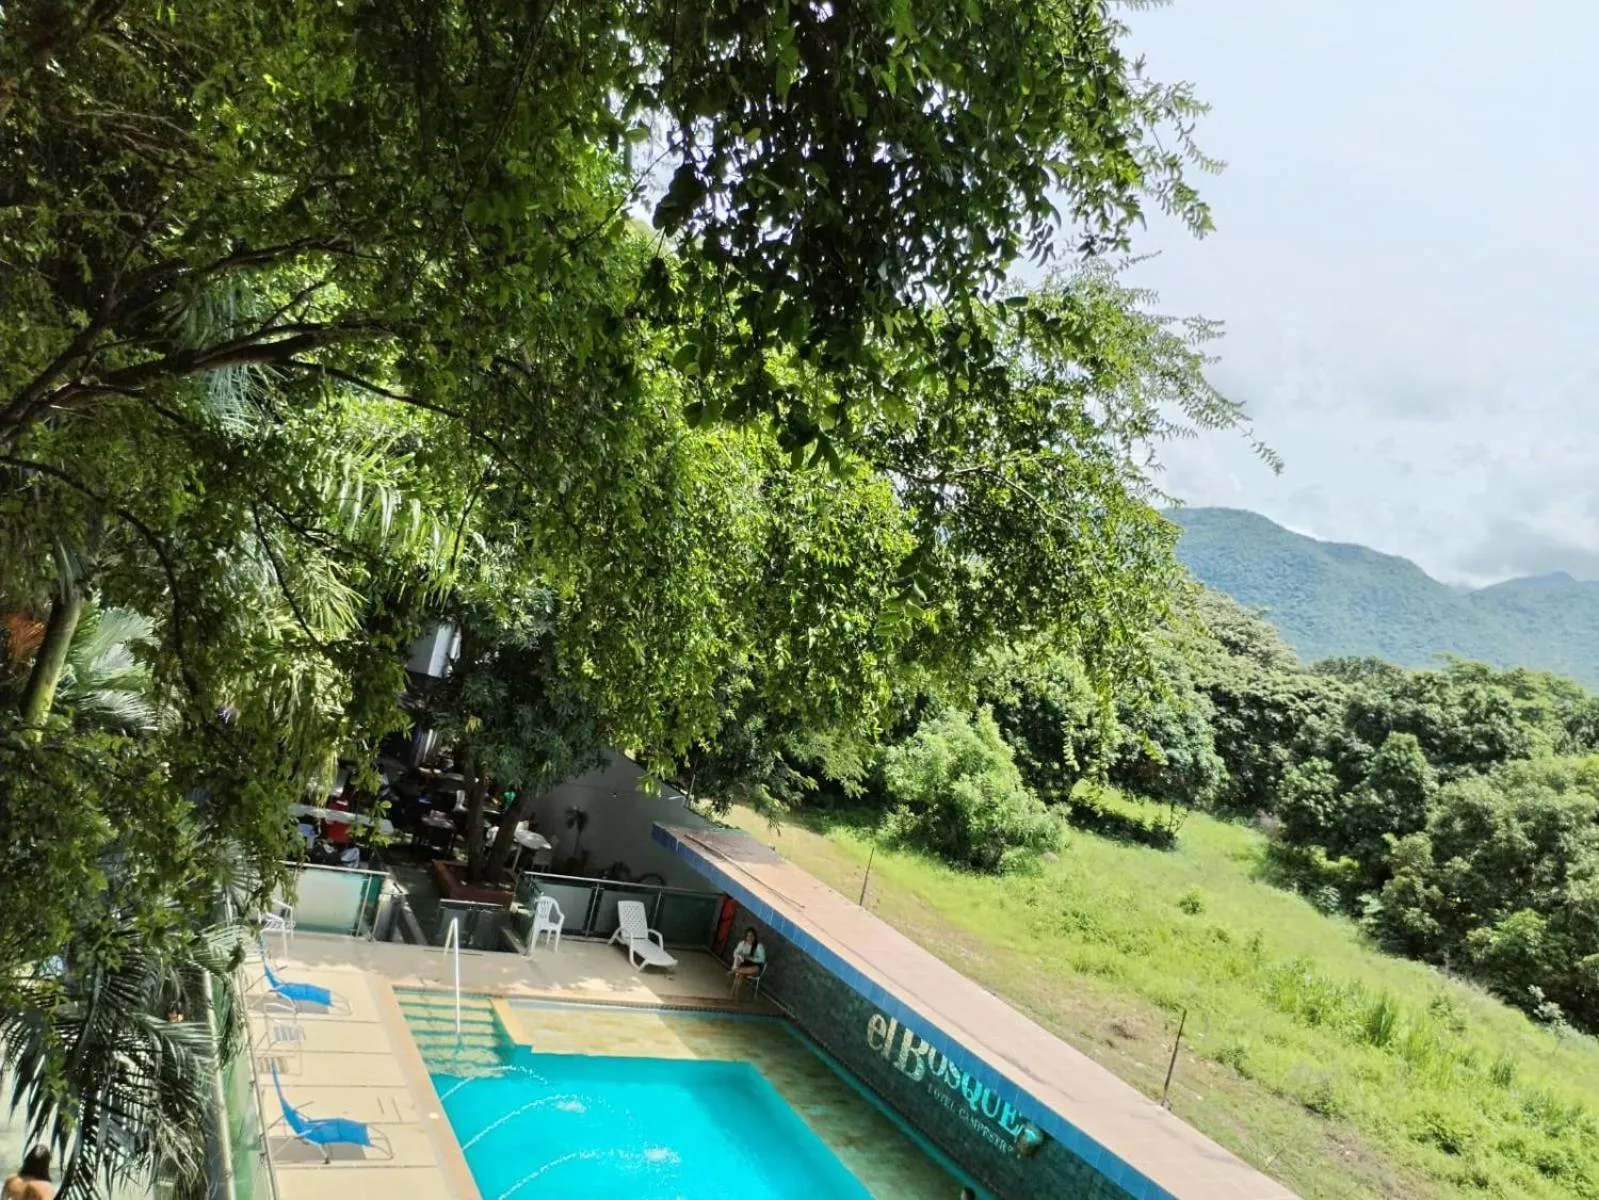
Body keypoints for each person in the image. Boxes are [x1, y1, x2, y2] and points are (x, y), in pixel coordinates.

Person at [729, 927, 766, 1001]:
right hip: (745, 966)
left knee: (753, 969)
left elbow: (762, 959)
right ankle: (735, 997)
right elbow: (736, 953)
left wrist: (750, 958)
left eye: (751, 936)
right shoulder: (743, 944)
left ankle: (735, 971)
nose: (749, 938)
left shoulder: (759, 946)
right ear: (745, 937)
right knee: (740, 976)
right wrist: (741, 956)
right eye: (748, 936)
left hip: (755, 967)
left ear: (755, 937)